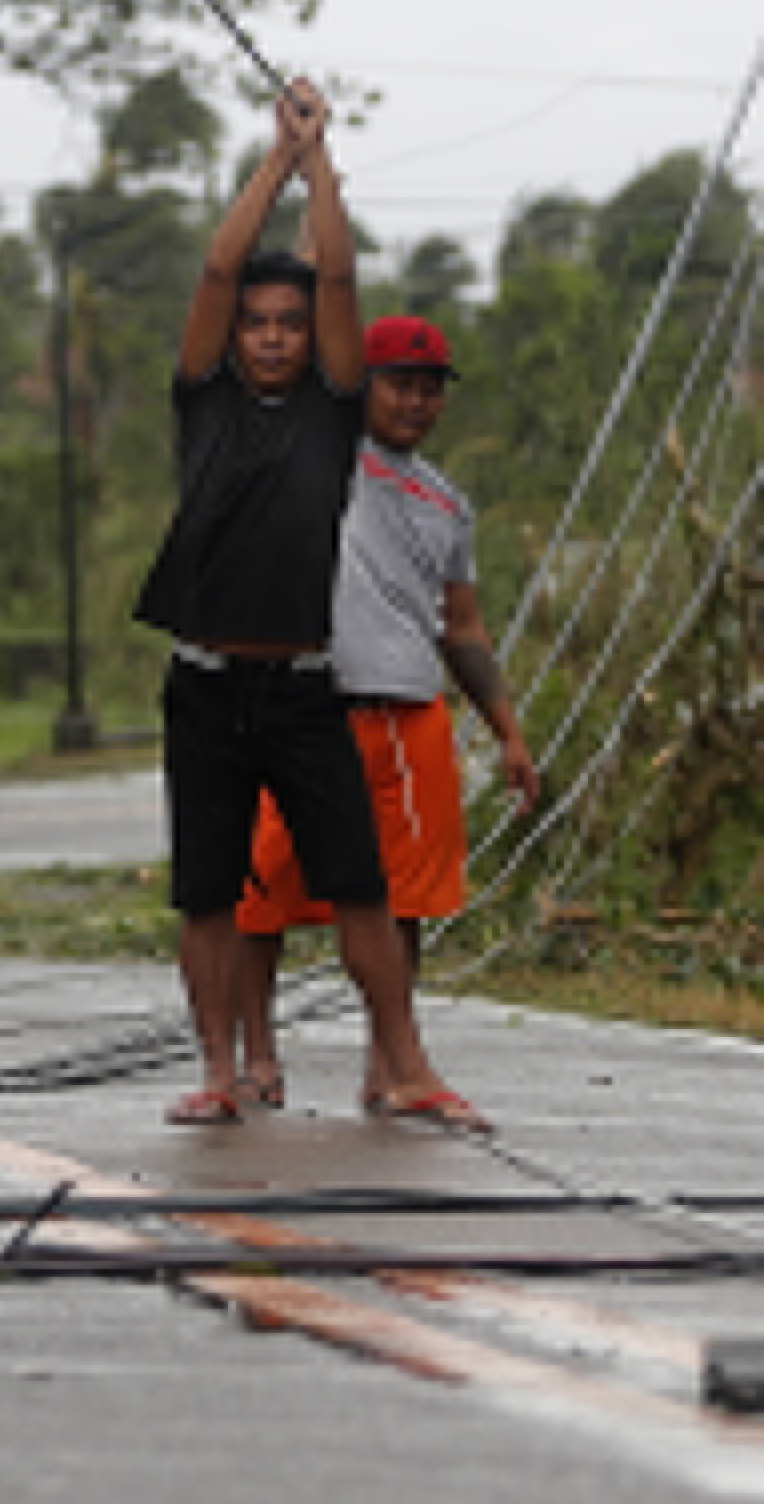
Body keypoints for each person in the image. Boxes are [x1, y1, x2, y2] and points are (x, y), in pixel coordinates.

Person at [130, 82, 478, 1128]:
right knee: (208, 891)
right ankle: (221, 1072)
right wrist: (272, 161)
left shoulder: (334, 413)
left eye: (289, 323)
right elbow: (217, 265)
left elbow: (338, 269)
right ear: (234, 335)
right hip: (203, 685)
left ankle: (406, 1064)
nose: (276, 336)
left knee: (362, 887)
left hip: (305, 687)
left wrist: (321, 159)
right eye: (259, 324)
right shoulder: (205, 398)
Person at [232, 313, 541, 1110]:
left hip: (407, 712)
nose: (415, 401)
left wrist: (508, 731)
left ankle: (390, 1065)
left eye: (430, 387)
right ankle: (256, 1054)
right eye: (399, 382)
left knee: (407, 898)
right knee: (261, 888)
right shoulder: (324, 453)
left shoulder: (446, 501)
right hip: (305, 705)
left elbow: (462, 628)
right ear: (360, 386)